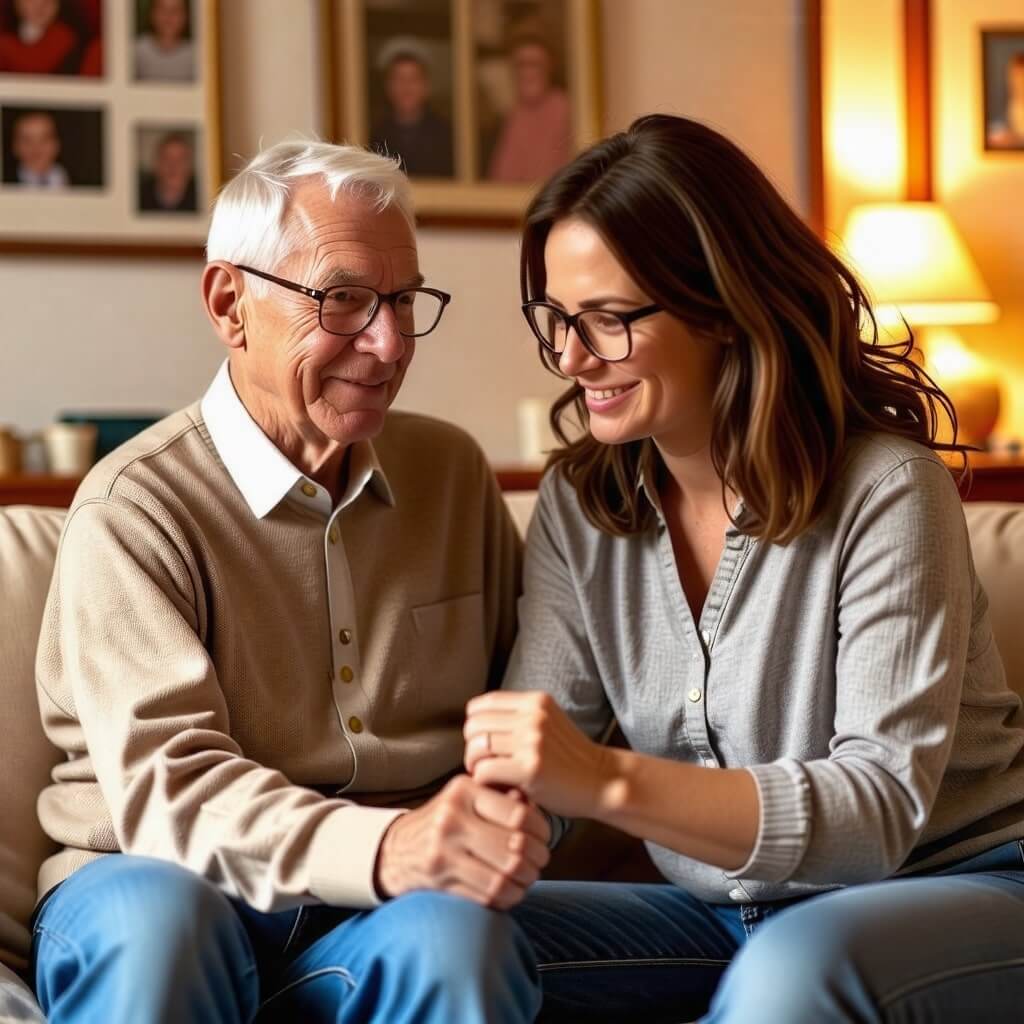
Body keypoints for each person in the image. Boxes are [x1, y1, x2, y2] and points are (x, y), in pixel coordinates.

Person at [464, 114, 1024, 1022]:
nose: (570, 358)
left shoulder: (888, 489)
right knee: (447, 934)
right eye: (556, 320)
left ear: (718, 307)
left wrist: (605, 780)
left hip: (956, 884)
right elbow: (540, 758)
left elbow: (877, 812)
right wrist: (470, 825)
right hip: (723, 912)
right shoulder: (580, 504)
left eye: (607, 320)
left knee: (797, 969)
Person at [31, 141, 545, 1024]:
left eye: (404, 301)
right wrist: (389, 843)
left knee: (455, 942)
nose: (388, 343)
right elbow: (172, 791)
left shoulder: (454, 474)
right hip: (152, 875)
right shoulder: (134, 507)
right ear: (229, 304)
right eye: (343, 300)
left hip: (384, 906)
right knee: (160, 929)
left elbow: (529, 715)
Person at [487, 34, 570, 184]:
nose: (527, 72)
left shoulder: (564, 109)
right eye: (521, 65)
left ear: (550, 66)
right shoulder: (514, 114)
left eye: (534, 64)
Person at [369, 38, 454, 178]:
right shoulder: (375, 135)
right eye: (399, 79)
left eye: (413, 79)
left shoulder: (446, 135)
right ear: (388, 86)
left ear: (426, 86)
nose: (406, 87)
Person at [0, 0, 77, 74]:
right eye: (31, 1)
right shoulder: (5, 38)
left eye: (47, 2)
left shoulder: (65, 39)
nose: (39, 8)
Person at [134, 0, 194, 82]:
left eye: (176, 10)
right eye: (162, 9)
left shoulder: (196, 55)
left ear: (186, 16)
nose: (169, 16)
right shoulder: (136, 52)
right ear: (152, 14)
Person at [138, 130, 197, 212]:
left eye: (181, 159)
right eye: (167, 158)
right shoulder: (139, 197)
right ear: (156, 163)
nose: (173, 166)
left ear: (189, 165)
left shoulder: (200, 197)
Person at [9, 109, 68, 187]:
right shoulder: (6, 184)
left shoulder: (74, 183)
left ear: (57, 144)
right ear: (15, 146)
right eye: (27, 140)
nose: (36, 149)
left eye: (44, 139)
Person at [987, 51, 1024, 148]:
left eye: (1020, 77)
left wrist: (1017, 140)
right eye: (1013, 76)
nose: (1016, 82)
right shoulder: (1009, 103)